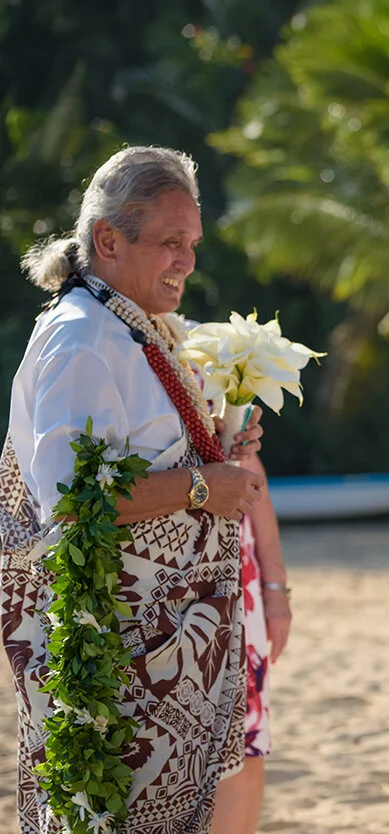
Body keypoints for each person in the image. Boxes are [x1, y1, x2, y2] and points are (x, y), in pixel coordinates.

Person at [2, 145, 265, 833]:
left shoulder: (132, 326)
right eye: (171, 242)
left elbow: (147, 458)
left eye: (193, 244)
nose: (187, 261)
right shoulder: (81, 338)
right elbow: (70, 499)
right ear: (108, 240)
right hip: (115, 663)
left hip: (160, 661)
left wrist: (220, 454)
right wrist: (204, 487)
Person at [212, 455, 293, 834]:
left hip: (236, 575)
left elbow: (250, 469)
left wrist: (275, 588)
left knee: (244, 735)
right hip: (143, 573)